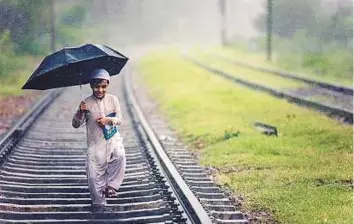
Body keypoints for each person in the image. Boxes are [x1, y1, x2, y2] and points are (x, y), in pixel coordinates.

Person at [72, 68, 126, 211]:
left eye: (103, 86)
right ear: (91, 86)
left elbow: (120, 119)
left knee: (120, 156)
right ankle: (99, 204)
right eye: (96, 86)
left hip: (112, 139)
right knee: (93, 176)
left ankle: (111, 186)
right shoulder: (85, 103)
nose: (100, 90)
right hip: (95, 143)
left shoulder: (113, 99)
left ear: (108, 84)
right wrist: (80, 111)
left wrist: (108, 120)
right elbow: (75, 125)